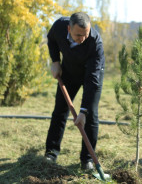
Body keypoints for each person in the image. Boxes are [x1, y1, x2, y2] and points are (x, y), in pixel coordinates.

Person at [45, 12, 105, 171]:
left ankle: (87, 160)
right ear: (68, 29)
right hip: (69, 71)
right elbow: (51, 40)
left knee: (91, 114)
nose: (83, 39)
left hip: (91, 73)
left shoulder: (95, 42)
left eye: (86, 35)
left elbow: (92, 80)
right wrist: (56, 61)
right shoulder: (58, 27)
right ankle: (51, 153)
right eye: (79, 35)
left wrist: (83, 112)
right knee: (59, 110)